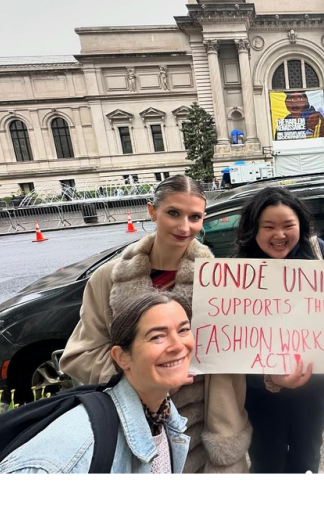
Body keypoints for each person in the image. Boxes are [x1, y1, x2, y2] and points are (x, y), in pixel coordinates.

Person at [61, 175, 251, 474]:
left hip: (205, 433)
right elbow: (79, 355)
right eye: (173, 213)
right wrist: (142, 373)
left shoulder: (221, 281)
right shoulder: (107, 279)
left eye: (195, 217)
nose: (184, 226)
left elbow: (243, 349)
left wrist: (276, 374)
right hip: (132, 429)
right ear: (152, 211)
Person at [0, 292, 194, 474]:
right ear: (122, 357)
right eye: (157, 336)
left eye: (183, 330)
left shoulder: (164, 420)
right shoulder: (73, 451)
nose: (178, 345)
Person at [235, 187, 324, 474]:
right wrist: (268, 376)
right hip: (259, 395)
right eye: (268, 227)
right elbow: (231, 347)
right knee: (266, 462)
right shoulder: (236, 272)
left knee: (308, 459)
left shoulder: (321, 255)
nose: (279, 235)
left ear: (301, 226)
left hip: (313, 386)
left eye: (288, 226)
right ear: (253, 229)